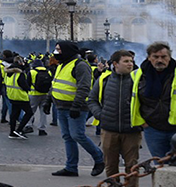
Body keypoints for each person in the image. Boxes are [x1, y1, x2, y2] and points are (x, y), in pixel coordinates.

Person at [43, 41, 105, 177]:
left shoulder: (80, 65)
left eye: (58, 50)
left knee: (77, 135)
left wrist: (76, 106)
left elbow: (84, 88)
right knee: (68, 137)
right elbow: (55, 83)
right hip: (61, 106)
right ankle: (71, 167)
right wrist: (48, 101)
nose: (56, 52)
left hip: (76, 107)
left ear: (66, 51)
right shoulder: (62, 65)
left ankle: (99, 158)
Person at [88, 50, 142, 187]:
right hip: (109, 129)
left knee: (132, 166)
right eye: (126, 61)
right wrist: (100, 115)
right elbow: (92, 100)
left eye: (131, 61)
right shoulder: (104, 79)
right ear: (115, 64)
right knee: (111, 165)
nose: (130, 64)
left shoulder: (138, 79)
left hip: (132, 130)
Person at [5, 55, 33, 139]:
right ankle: (19, 130)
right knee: (29, 113)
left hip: (12, 95)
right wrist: (29, 88)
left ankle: (12, 132)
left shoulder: (8, 73)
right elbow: (24, 86)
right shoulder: (19, 74)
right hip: (21, 96)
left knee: (14, 114)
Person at [25, 58, 51, 136]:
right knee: (43, 112)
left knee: (31, 111)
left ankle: (28, 125)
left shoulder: (32, 72)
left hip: (34, 94)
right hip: (45, 94)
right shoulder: (48, 72)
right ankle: (42, 129)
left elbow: (27, 84)